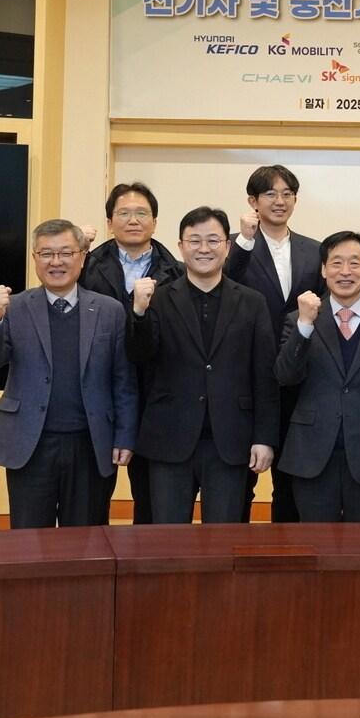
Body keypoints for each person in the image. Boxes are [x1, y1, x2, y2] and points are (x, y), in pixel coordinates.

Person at [0, 219, 137, 528]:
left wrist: (125, 436)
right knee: (29, 540)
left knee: (87, 540)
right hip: (30, 444)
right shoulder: (14, 307)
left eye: (65, 252)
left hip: (91, 444)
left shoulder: (110, 310)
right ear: (35, 258)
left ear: (82, 257)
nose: (56, 262)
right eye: (47, 253)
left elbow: (123, 382)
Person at [127, 206, 278, 524]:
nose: (204, 249)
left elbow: (264, 375)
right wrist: (138, 313)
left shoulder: (252, 302)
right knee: (167, 537)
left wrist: (264, 437)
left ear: (227, 246)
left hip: (231, 440)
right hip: (169, 438)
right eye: (194, 241)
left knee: (224, 539)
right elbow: (139, 357)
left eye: (213, 240)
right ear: (181, 247)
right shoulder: (158, 299)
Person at [274, 232, 360, 522]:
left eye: (355, 263)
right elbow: (285, 376)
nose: (345, 271)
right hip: (310, 456)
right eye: (336, 263)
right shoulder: (297, 320)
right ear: (324, 270)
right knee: (315, 543)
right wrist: (304, 326)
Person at [78, 182, 182, 525]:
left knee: (153, 500)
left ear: (155, 221)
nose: (133, 220)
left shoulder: (177, 271)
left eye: (141, 213)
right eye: (124, 213)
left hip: (155, 393)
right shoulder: (86, 265)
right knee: (89, 499)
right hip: (99, 391)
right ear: (109, 222)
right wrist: (78, 248)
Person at [226, 164, 324, 523]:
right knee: (238, 481)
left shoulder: (315, 250)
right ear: (253, 201)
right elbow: (225, 285)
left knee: (292, 480)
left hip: (297, 375)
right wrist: (244, 241)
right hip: (245, 375)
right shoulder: (236, 246)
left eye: (287, 194)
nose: (279, 201)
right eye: (270, 193)